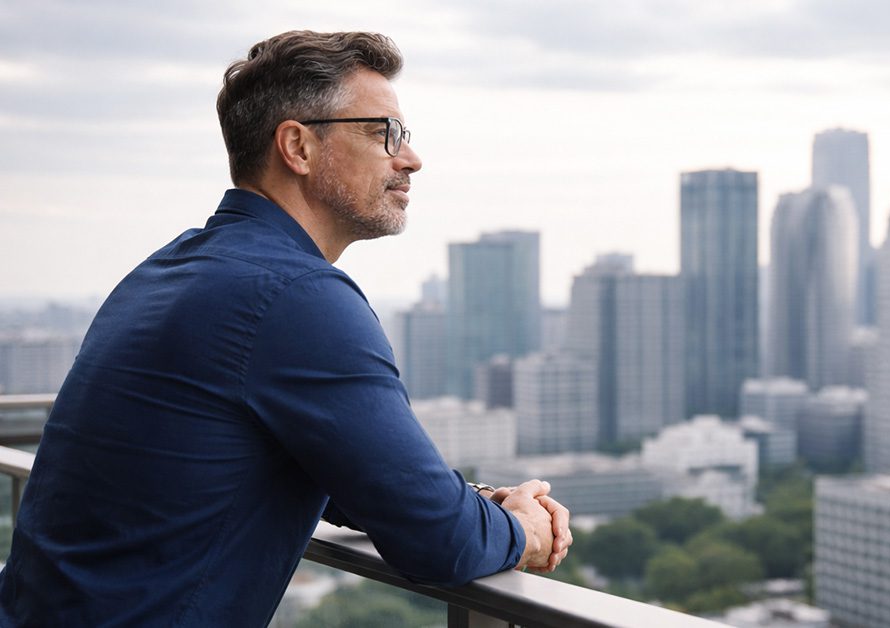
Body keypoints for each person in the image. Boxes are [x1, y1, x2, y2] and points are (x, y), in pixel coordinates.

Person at [0, 30, 570, 626]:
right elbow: (437, 541)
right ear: (297, 146)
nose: (410, 158)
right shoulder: (296, 298)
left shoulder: (169, 270)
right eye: (385, 133)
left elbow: (335, 467)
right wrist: (523, 530)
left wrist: (477, 504)